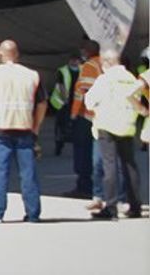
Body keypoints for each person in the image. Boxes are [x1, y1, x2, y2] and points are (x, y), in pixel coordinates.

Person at [0, 39, 46, 223]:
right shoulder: (32, 75)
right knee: (28, 173)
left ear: (0, 54)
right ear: (17, 55)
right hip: (24, 129)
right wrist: (36, 127)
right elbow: (42, 103)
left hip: (0, 129)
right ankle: (33, 214)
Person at [83, 47, 144, 220]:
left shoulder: (105, 79)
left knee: (109, 167)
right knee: (129, 165)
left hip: (107, 126)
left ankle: (110, 207)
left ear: (108, 63)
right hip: (127, 126)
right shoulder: (130, 78)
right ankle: (135, 206)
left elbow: (89, 101)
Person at [67, 39, 102, 200]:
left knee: (83, 152)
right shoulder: (103, 65)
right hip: (101, 115)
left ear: (87, 51)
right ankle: (98, 187)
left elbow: (84, 92)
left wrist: (74, 114)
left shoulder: (89, 66)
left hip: (86, 115)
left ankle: (84, 186)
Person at [48, 53, 79, 156]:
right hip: (63, 103)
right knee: (61, 125)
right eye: (72, 59)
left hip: (77, 101)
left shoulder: (82, 70)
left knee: (76, 125)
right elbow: (60, 85)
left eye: (76, 60)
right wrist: (65, 99)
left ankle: (76, 144)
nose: (74, 62)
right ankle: (59, 145)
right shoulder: (62, 70)